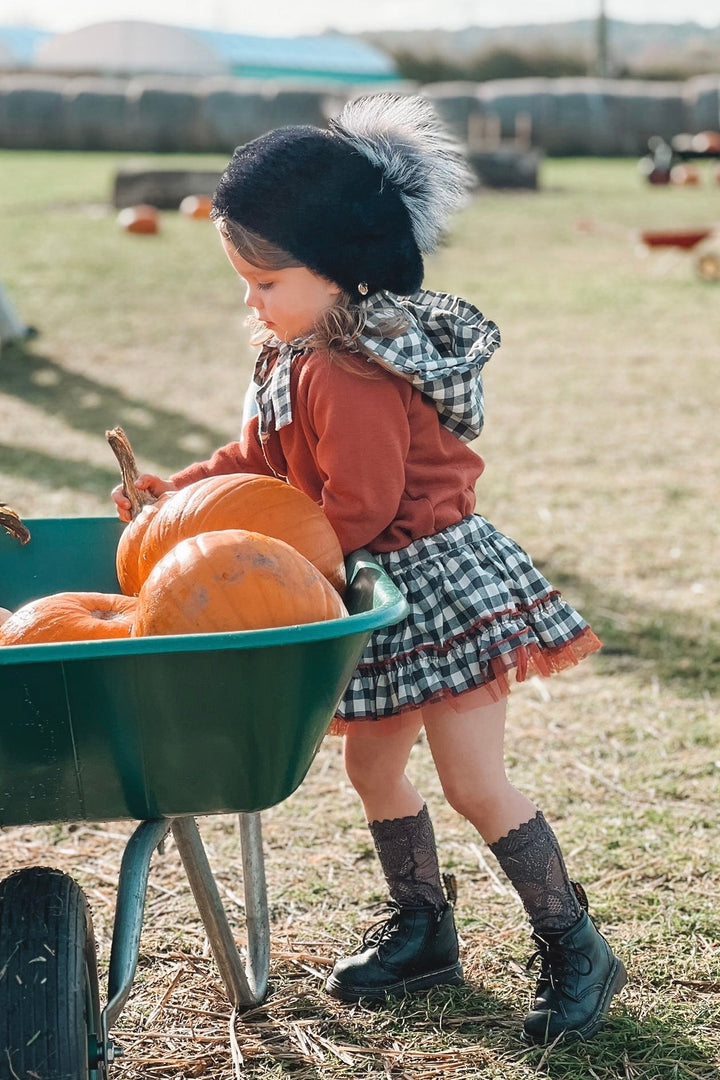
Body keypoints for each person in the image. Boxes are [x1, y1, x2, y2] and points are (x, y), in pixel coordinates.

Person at [112, 93, 626, 1044]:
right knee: (372, 766)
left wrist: (257, 553)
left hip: (434, 582)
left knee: (475, 778)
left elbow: (362, 505)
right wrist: (175, 493)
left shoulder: (349, 372)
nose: (250, 302)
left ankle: (574, 942)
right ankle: (424, 927)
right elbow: (255, 466)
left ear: (339, 272)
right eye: (244, 281)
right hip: (368, 589)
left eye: (266, 282)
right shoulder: (291, 352)